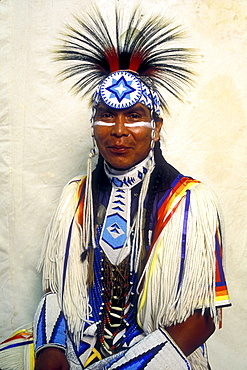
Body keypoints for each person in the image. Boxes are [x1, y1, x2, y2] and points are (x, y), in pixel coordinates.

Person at [32, 5, 230, 370]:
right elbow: (57, 290)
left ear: (156, 128)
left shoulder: (190, 202)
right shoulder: (75, 197)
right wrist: (51, 349)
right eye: (107, 115)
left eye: (134, 116)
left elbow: (201, 318)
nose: (119, 130)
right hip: (81, 353)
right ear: (93, 126)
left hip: (160, 358)